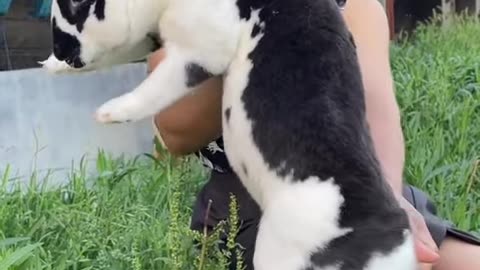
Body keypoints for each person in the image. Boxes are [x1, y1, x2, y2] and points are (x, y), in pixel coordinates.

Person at [148, 0, 480, 269]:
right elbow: (176, 130)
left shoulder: (358, 9)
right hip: (249, 203)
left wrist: (388, 204)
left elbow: (378, 122)